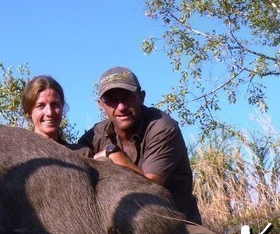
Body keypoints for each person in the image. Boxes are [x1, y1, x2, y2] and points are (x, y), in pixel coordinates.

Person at [78, 66, 202, 224]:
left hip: (177, 223)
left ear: (142, 97)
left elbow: (149, 191)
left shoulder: (162, 127)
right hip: (122, 225)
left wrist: (114, 154)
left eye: (127, 97)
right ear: (101, 105)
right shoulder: (95, 135)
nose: (121, 107)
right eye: (112, 100)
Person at [22, 75, 69, 145]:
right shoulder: (17, 153)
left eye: (55, 104)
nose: (49, 113)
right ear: (29, 111)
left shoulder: (80, 153)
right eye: (41, 106)